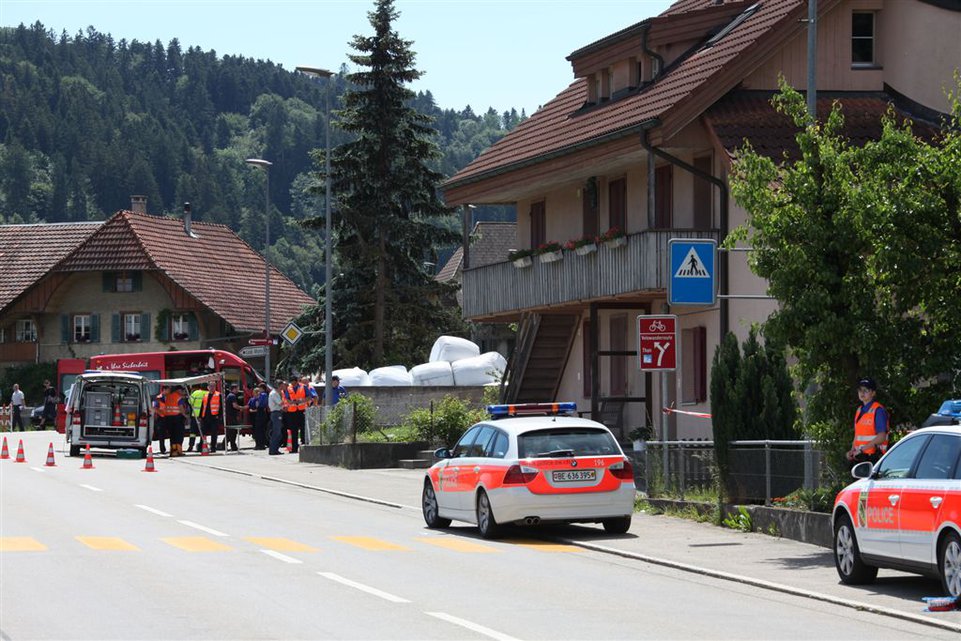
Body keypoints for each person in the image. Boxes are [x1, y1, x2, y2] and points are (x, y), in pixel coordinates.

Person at [846, 377, 889, 465]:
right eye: (860, 390)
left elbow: (881, 437)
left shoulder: (878, 410)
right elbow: (857, 435)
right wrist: (852, 450)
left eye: (866, 390)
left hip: (873, 457)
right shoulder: (859, 410)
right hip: (860, 457)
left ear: (873, 393)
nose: (862, 393)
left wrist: (862, 449)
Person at [283, 375, 307, 452]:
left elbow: (309, 397)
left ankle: (304, 447)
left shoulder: (303, 387)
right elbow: (287, 399)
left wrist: (301, 401)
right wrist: (293, 402)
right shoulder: (289, 388)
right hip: (292, 412)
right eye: (291, 383)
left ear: (297, 381)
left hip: (301, 410)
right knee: (294, 431)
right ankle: (294, 448)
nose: (292, 384)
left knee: (303, 429)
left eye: (294, 383)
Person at [200, 381, 223, 453]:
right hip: (205, 417)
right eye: (211, 386)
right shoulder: (205, 395)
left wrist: (219, 416)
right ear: (208, 387)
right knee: (203, 433)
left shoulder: (218, 395)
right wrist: (200, 416)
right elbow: (202, 406)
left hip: (214, 417)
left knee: (214, 433)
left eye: (213, 386)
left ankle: (213, 448)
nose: (212, 388)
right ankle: (202, 447)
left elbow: (221, 406)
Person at [268, 380, 286, 455]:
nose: (283, 387)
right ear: (279, 386)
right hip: (276, 413)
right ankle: (273, 450)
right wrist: (287, 401)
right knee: (276, 432)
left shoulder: (277, 393)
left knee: (278, 432)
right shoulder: (274, 393)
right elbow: (280, 403)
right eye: (282, 385)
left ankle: (275, 449)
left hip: (277, 413)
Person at [249, 383, 268, 450]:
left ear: (262, 388)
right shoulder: (264, 395)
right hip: (261, 413)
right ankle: (261, 444)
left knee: (259, 430)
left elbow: (259, 404)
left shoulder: (263, 394)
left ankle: (259, 445)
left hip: (260, 412)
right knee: (261, 430)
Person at [187, 384, 207, 452]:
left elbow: (189, 402)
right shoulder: (207, 393)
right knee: (203, 432)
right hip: (204, 416)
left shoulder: (196, 393)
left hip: (195, 415)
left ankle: (191, 446)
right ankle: (202, 446)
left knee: (193, 432)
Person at [224, 383, 243, 452]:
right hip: (232, 416)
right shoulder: (232, 396)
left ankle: (227, 444)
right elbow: (234, 405)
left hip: (230, 416)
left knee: (230, 431)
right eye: (237, 388)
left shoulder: (230, 395)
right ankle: (232, 445)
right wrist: (241, 408)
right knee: (233, 431)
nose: (238, 390)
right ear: (234, 389)